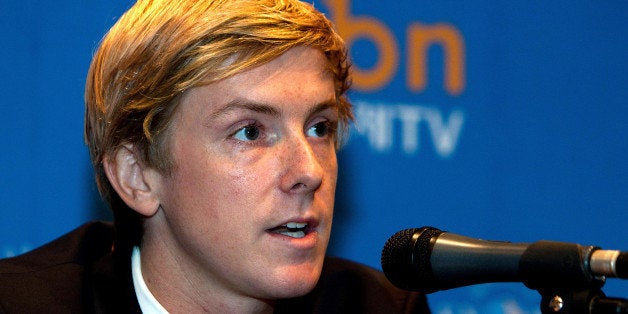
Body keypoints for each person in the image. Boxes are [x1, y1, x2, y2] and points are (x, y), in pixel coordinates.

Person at [0, 0, 430, 313]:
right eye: (250, 132)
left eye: (320, 128)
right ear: (138, 175)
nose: (310, 171)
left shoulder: (379, 308)